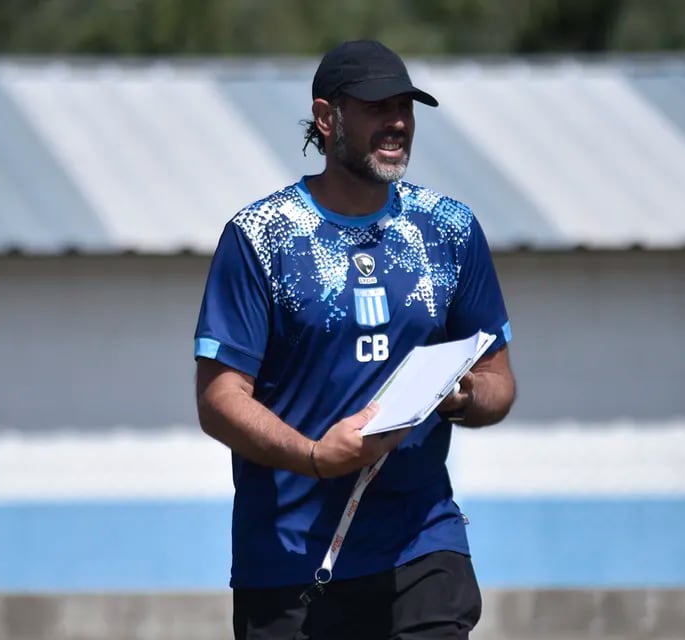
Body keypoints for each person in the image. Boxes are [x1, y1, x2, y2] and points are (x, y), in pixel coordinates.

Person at [193, 39, 516, 640]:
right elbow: (219, 400)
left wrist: (463, 396)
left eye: (405, 107)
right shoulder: (262, 235)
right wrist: (315, 458)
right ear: (326, 117)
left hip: (422, 546)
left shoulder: (449, 229)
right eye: (375, 107)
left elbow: (499, 382)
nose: (396, 122)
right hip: (290, 560)